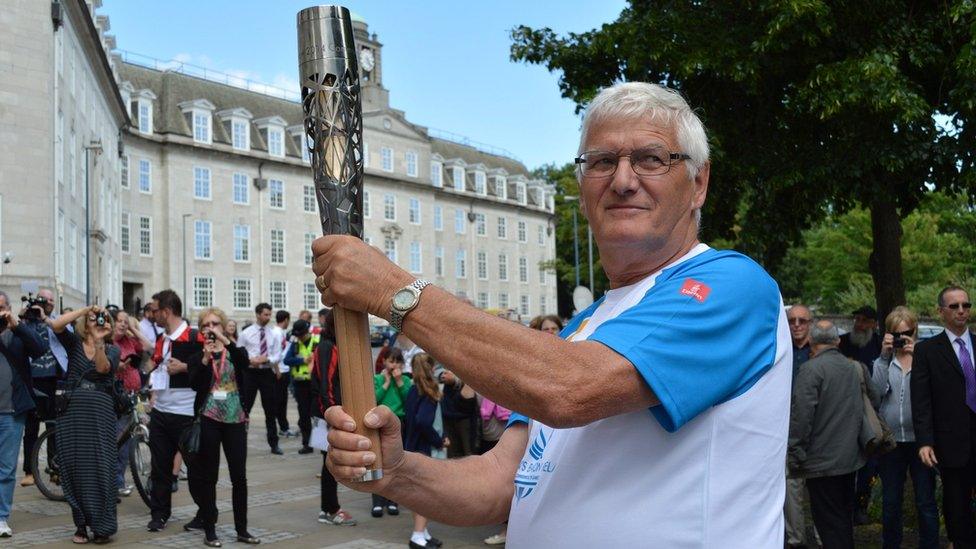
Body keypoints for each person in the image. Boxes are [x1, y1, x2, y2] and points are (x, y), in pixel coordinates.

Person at [317, 81, 792, 547]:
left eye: (652, 158)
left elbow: (570, 389)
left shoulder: (732, 286)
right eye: (603, 162)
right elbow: (501, 483)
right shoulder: (577, 332)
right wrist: (397, 471)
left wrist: (393, 291)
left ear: (698, 183)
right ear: (584, 187)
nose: (624, 181)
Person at [789, 320, 875, 549]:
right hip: (850, 459)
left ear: (812, 341)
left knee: (828, 523)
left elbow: (801, 417)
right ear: (837, 341)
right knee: (842, 520)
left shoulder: (810, 370)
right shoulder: (855, 368)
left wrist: (794, 454)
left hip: (821, 462)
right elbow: (874, 400)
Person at [186, 308, 260, 546]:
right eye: (206, 325)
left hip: (235, 419)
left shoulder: (233, 352)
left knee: (239, 476)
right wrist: (206, 359)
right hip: (209, 418)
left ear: (223, 325)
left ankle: (242, 530)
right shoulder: (199, 356)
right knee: (210, 476)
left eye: (215, 323)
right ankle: (210, 531)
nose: (211, 328)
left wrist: (225, 340)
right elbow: (195, 384)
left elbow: (245, 362)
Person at [912, 285, 976, 547]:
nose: (961, 311)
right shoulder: (927, 351)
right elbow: (921, 400)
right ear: (941, 312)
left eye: (966, 305)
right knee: (956, 507)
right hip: (951, 442)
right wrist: (925, 440)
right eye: (954, 306)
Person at [51, 305, 120, 544]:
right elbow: (56, 324)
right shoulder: (73, 343)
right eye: (93, 318)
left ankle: (103, 526)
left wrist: (100, 342)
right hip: (72, 412)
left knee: (101, 466)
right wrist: (86, 309)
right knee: (74, 466)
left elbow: (102, 368)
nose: (97, 320)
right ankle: (81, 525)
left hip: (99, 413)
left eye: (101, 318)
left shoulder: (113, 349)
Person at [871, 306, 938, 549]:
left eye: (907, 332)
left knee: (925, 500)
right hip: (891, 442)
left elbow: (936, 394)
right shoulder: (884, 362)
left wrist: (918, 355)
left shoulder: (926, 356)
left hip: (921, 441)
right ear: (888, 334)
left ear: (915, 330)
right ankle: (891, 545)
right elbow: (875, 393)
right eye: (896, 334)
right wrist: (883, 357)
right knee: (890, 502)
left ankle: (929, 545)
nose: (902, 338)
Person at [145, 290, 205, 532]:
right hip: (160, 411)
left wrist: (184, 367)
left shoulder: (194, 336)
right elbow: (155, 364)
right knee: (159, 467)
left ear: (166, 312)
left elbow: (210, 362)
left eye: (155, 309)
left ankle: (204, 512)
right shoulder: (163, 338)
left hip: (186, 413)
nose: (152, 314)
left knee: (197, 467)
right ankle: (159, 514)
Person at [0, 291, 47, 538]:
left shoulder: (17, 335)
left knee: (6, 468)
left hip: (11, 411)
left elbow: (39, 349)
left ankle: (1, 517)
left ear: (8, 308)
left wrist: (17, 325)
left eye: (1, 307)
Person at [309, 309, 356, 526]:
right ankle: (331, 509)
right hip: (326, 413)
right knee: (329, 462)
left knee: (329, 462)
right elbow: (325, 384)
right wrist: (330, 412)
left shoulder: (330, 345)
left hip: (326, 411)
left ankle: (328, 509)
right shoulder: (327, 346)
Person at [839, 304, 883, 523]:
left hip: (872, 412)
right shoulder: (843, 343)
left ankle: (861, 505)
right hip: (845, 410)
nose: (859, 324)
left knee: (870, 464)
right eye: (857, 319)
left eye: (864, 320)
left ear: (874, 324)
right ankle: (845, 505)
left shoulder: (879, 345)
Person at [20, 288, 67, 489]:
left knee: (53, 425)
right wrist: (23, 316)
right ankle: (29, 471)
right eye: (42, 300)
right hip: (31, 378)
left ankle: (54, 469)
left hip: (52, 379)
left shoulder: (55, 321)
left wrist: (46, 318)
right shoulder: (26, 321)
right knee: (30, 427)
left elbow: (67, 334)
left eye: (49, 300)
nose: (46, 303)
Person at [403, 353, 447, 549]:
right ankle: (418, 535)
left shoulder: (413, 390)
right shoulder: (429, 392)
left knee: (417, 492)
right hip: (426, 449)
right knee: (425, 494)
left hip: (412, 446)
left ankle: (423, 532)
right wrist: (439, 441)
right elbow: (423, 421)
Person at [784, 304, 817, 548]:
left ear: (810, 323)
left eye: (802, 321)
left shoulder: (819, 352)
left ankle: (820, 536)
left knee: (819, 487)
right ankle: (796, 540)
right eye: (792, 320)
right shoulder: (781, 350)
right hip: (785, 428)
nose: (796, 325)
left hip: (817, 428)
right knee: (791, 488)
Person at [111, 310, 151, 498]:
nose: (123, 324)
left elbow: (149, 347)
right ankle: (115, 481)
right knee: (117, 439)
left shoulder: (129, 341)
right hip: (115, 396)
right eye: (119, 321)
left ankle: (118, 480)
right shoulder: (109, 341)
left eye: (125, 321)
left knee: (125, 442)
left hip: (132, 395)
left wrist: (134, 329)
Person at [237, 303, 283, 455]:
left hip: (266, 373)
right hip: (250, 373)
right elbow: (240, 352)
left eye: (270, 315)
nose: (268, 317)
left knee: (270, 409)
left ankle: (274, 443)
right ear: (257, 314)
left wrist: (266, 359)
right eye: (265, 314)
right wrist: (251, 360)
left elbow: (277, 355)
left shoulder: (273, 333)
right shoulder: (246, 333)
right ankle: (240, 442)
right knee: (245, 408)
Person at [372, 347, 411, 517]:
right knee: (378, 461)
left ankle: (393, 500)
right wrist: (386, 383)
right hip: (380, 423)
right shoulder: (378, 379)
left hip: (399, 421)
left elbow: (409, 401)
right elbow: (375, 399)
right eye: (390, 361)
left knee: (395, 461)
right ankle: (377, 501)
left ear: (402, 364)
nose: (393, 365)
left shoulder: (406, 380)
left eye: (397, 361)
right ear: (385, 361)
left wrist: (400, 382)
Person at [282, 319, 317, 453]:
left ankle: (322, 443)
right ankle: (307, 444)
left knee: (317, 415)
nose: (299, 337)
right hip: (300, 385)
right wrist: (302, 360)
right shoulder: (295, 343)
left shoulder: (316, 342)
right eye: (298, 335)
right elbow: (286, 360)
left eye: (301, 334)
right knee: (303, 416)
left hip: (314, 384)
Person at [272, 310, 294, 438]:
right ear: (285, 320)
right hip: (279, 371)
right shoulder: (276, 333)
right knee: (279, 401)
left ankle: (283, 426)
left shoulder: (281, 332)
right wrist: (277, 369)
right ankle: (282, 427)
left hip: (284, 369)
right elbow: (273, 352)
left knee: (282, 400)